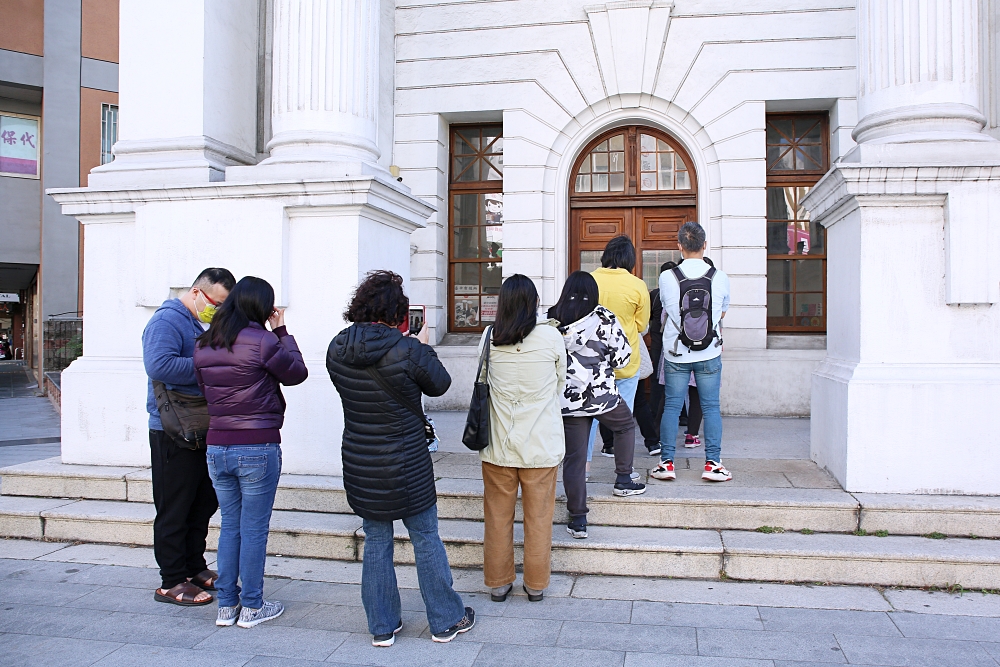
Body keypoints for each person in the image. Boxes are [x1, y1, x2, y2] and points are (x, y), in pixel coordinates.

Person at [326, 270, 474, 647]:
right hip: (407, 460)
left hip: (361, 459)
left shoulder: (337, 348)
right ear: (399, 313)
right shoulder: (408, 350)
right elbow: (440, 385)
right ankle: (445, 620)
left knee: (376, 538)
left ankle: (382, 625)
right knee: (425, 536)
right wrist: (422, 346)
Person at [194, 276, 308, 627]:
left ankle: (227, 606)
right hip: (257, 444)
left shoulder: (203, 343)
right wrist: (282, 330)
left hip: (217, 445)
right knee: (254, 528)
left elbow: (203, 389)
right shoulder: (262, 341)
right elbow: (297, 373)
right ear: (263, 307)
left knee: (230, 526)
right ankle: (253, 606)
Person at [142, 267, 234, 607]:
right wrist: (209, 366)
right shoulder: (167, 320)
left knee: (202, 502)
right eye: (216, 303)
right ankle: (171, 580)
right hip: (171, 429)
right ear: (197, 292)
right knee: (175, 505)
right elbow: (159, 365)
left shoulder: (198, 322)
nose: (218, 311)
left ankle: (194, 566)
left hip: (198, 425)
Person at [480, 274, 565, 602]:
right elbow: (560, 382)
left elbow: (482, 379)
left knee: (497, 517)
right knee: (540, 517)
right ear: (533, 303)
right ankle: (536, 585)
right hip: (541, 444)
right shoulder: (551, 337)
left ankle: (499, 583)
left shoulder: (490, 336)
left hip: (498, 444)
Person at [550, 272, 645, 540]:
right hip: (602, 395)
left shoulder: (552, 321)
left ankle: (578, 519)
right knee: (625, 426)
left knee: (575, 459)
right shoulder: (604, 318)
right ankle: (624, 479)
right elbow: (623, 357)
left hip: (569, 400)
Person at [651, 222, 732, 482]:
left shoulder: (667, 277)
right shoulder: (720, 277)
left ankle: (666, 464)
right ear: (704, 245)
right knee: (710, 407)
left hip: (676, 352)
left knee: (672, 407)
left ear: (680, 247)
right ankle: (713, 464)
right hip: (709, 352)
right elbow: (720, 313)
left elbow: (667, 310)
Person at [587, 236, 650, 473]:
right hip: (626, 360)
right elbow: (642, 325)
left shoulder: (591, 280)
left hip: (592, 362)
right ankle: (625, 472)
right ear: (629, 259)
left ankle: (583, 468)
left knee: (588, 420)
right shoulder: (637, 285)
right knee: (624, 420)